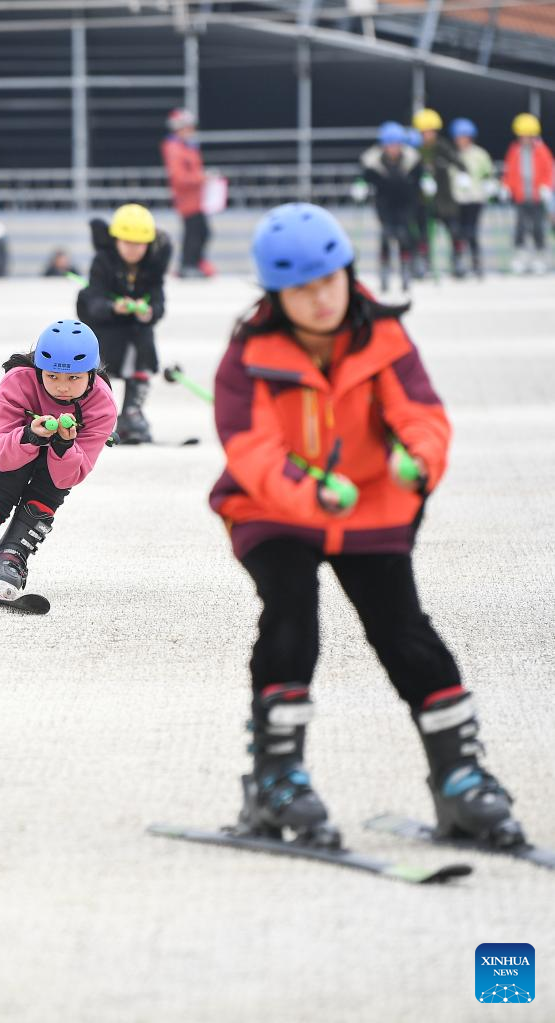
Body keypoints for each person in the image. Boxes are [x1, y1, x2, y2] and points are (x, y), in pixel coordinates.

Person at [209, 202, 525, 849]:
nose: (320, 298)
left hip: (367, 505)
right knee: (291, 611)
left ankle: (459, 777)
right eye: (301, 288)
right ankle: (277, 778)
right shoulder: (247, 356)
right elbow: (251, 449)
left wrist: (419, 462)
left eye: (330, 279)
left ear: (349, 273)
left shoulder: (385, 338)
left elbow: (422, 415)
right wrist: (303, 490)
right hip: (272, 508)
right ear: (276, 295)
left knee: (402, 629)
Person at [0, 320, 117, 600]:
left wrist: (63, 445)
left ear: (91, 373)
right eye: (52, 376)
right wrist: (31, 436)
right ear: (39, 369)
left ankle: (11, 557)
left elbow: (68, 477)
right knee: (6, 482)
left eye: (74, 378)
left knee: (47, 492)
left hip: (62, 452)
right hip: (6, 442)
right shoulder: (18, 380)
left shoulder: (102, 404)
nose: (62, 387)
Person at [76, 203, 171, 444]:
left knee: (144, 353)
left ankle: (131, 413)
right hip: (104, 327)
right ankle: (87, 414)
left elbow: (159, 301)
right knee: (96, 369)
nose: (132, 249)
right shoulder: (103, 261)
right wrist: (112, 307)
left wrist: (149, 313)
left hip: (136, 330)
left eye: (138, 244)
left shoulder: (153, 266)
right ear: (116, 240)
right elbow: (93, 299)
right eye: (127, 242)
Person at [355, 121, 422, 293]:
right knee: (386, 235)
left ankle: (405, 271)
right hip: (384, 203)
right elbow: (364, 177)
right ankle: (384, 273)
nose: (393, 148)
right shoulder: (372, 161)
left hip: (406, 203)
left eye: (396, 144)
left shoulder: (412, 159)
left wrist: (427, 182)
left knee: (403, 235)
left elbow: (421, 175)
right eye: (389, 144)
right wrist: (361, 186)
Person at [412, 108, 467, 277]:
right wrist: (420, 179)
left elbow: (457, 161)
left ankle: (457, 261)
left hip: (445, 197)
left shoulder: (443, 146)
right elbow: (411, 169)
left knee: (454, 230)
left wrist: (463, 174)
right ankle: (424, 263)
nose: (428, 135)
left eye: (431, 131)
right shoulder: (415, 150)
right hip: (424, 199)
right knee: (423, 233)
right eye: (424, 132)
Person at [160, 107, 215, 278]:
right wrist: (201, 178)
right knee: (194, 232)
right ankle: (188, 265)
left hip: (197, 199)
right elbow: (179, 178)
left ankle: (194, 263)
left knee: (201, 231)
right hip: (187, 199)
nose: (191, 131)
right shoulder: (174, 148)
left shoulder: (188, 147)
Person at [501, 113, 554, 275]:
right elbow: (509, 172)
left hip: (538, 197)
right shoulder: (515, 150)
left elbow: (549, 171)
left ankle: (540, 256)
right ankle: (521, 257)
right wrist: (506, 187)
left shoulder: (542, 151)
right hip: (521, 197)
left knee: (538, 228)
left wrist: (546, 187)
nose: (525, 139)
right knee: (520, 228)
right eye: (522, 136)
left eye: (528, 136)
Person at [448, 118, 497, 278]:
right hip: (457, 199)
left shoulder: (479, 154)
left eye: (465, 136)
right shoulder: (452, 154)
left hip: (475, 198)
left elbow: (488, 173)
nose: (461, 140)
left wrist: (489, 185)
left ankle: (476, 263)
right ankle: (458, 263)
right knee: (457, 233)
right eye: (459, 137)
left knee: (471, 232)